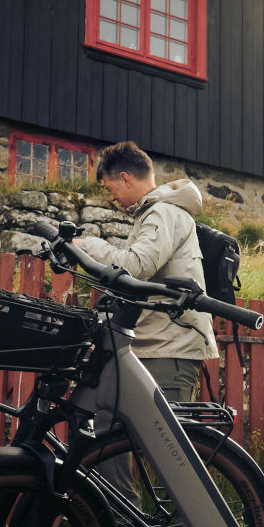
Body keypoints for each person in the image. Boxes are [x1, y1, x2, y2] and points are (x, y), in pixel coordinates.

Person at [72, 140, 217, 406]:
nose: (111, 196)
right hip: (156, 344)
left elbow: (137, 266)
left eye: (110, 187)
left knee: (163, 445)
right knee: (114, 433)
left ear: (125, 178)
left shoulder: (163, 213)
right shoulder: (154, 213)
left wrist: (86, 246)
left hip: (169, 349)